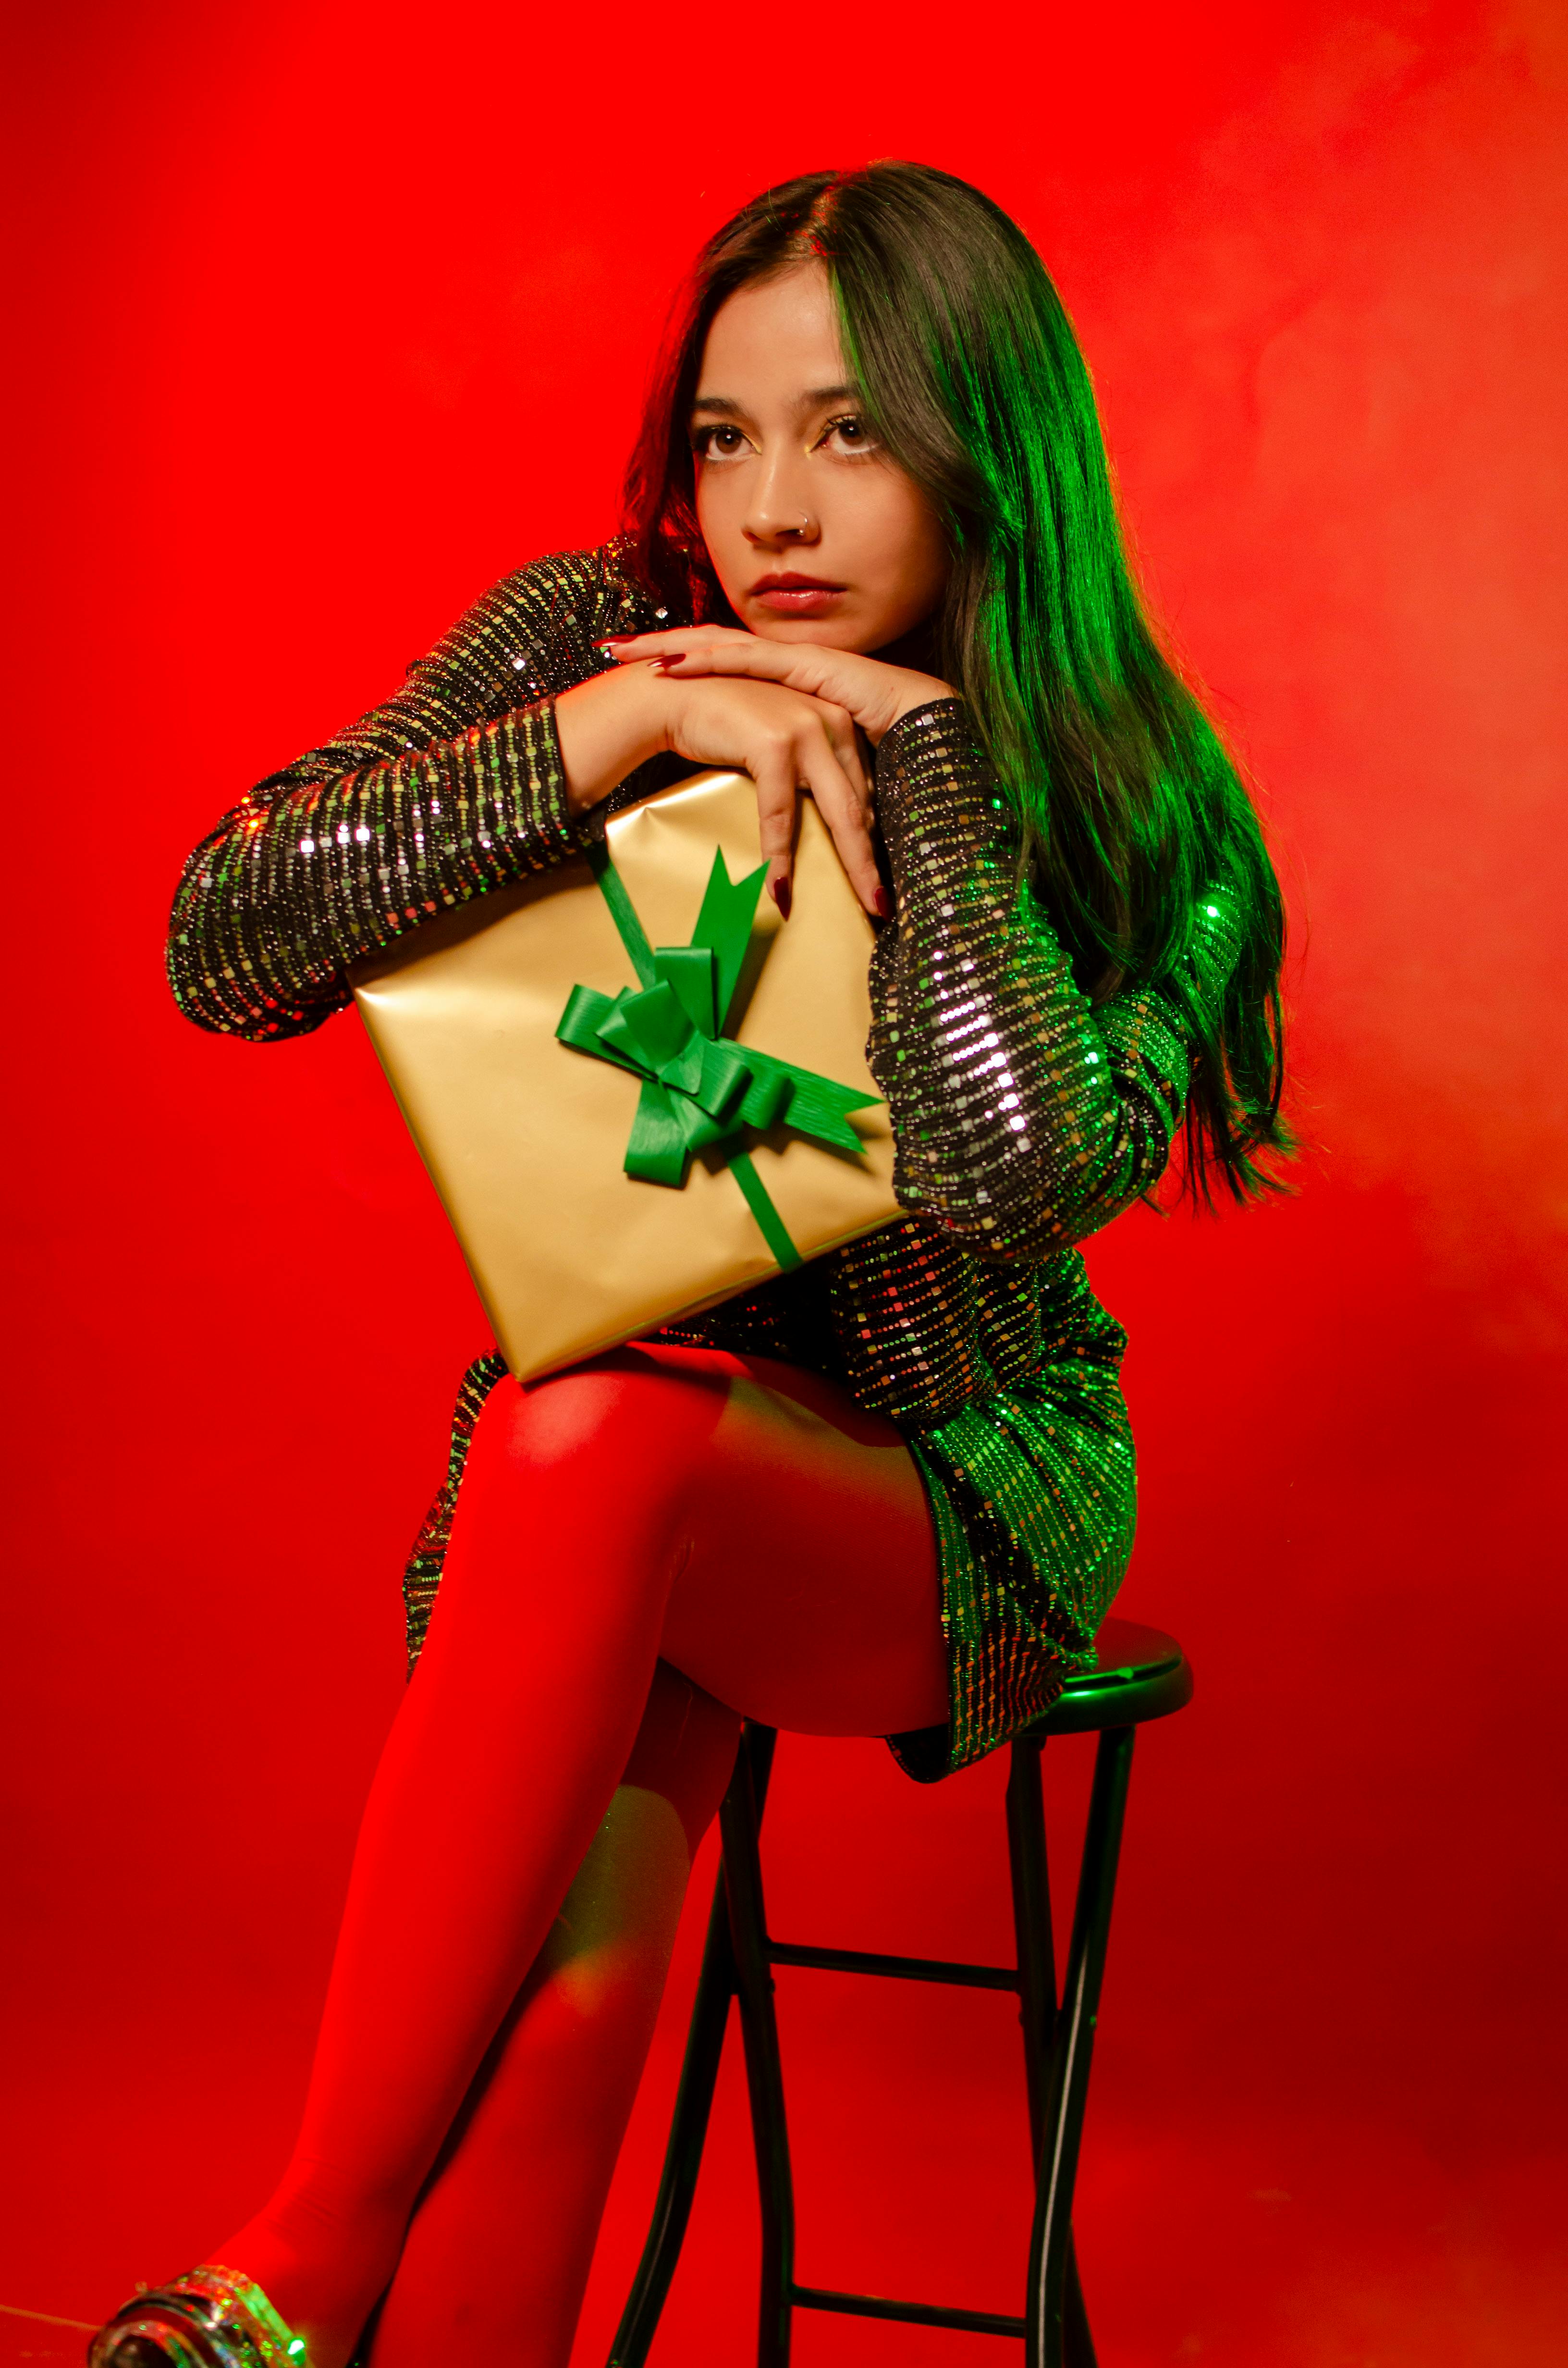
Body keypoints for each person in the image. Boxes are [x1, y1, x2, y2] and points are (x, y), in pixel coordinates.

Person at [90, 162, 1287, 2368]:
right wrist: (628, 727)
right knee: (570, 1934)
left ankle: (305, 2258)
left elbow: (1020, 1173)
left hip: (960, 1486)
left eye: (850, 431)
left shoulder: (1147, 797)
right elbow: (223, 933)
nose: (775, 509)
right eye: (729, 436)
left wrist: (919, 761)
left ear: (984, 447)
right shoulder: (594, 630)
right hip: (629, 1481)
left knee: (600, 1427)